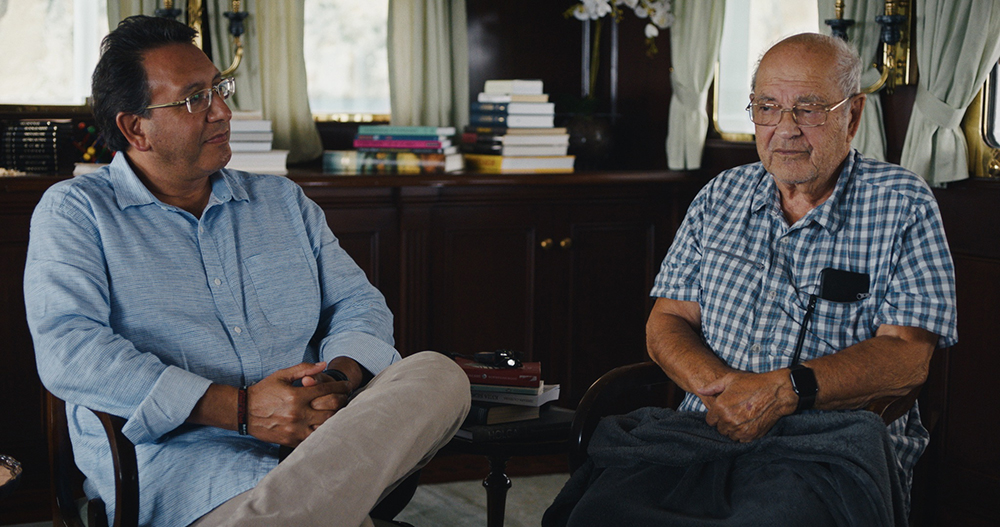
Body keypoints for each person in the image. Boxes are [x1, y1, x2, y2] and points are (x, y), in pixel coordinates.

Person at [24, 15, 470, 527]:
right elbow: (69, 349)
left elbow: (357, 303)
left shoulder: (281, 200)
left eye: (219, 89)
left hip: (325, 437)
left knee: (438, 374)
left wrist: (333, 383)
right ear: (135, 128)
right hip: (185, 467)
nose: (222, 111)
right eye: (195, 99)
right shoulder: (75, 212)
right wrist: (241, 409)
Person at [544, 33, 956, 526]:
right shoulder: (721, 195)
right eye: (767, 107)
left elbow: (908, 357)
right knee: (597, 512)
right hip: (702, 432)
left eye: (809, 109)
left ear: (852, 115)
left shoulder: (903, 204)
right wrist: (726, 391)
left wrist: (782, 392)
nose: (786, 129)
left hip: (823, 449)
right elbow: (668, 319)